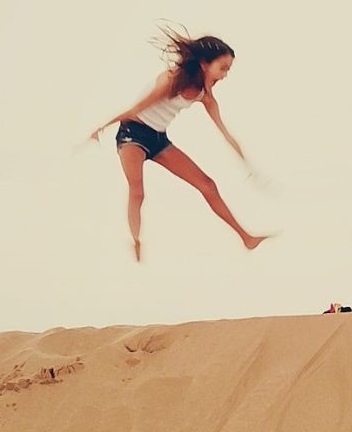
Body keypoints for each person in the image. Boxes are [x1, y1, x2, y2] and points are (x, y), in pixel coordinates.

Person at [88, 31, 269, 261]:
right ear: (204, 64)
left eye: (228, 70)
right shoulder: (172, 80)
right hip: (132, 134)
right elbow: (137, 109)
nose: (225, 75)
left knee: (208, 185)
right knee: (138, 191)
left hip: (158, 139)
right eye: (223, 68)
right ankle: (136, 241)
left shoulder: (205, 96)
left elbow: (227, 134)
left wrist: (248, 165)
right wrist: (102, 127)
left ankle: (247, 238)